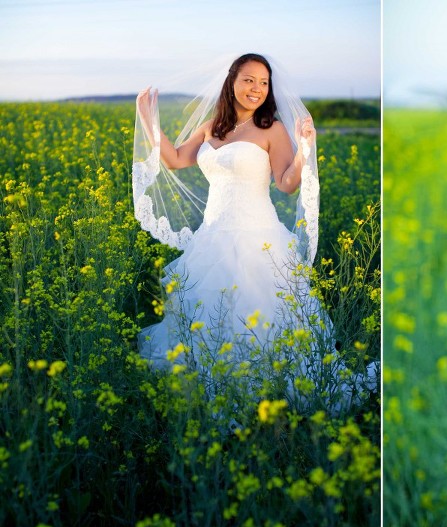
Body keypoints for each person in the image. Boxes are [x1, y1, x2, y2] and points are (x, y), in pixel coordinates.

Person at [132, 54, 318, 375]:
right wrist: (147, 118)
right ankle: (214, 379)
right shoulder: (211, 128)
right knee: (209, 314)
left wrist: (305, 149)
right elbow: (175, 159)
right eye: (248, 80)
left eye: (263, 82)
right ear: (232, 82)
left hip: (257, 237)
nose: (256, 88)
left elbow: (287, 184)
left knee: (255, 316)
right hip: (212, 235)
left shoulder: (271, 129)